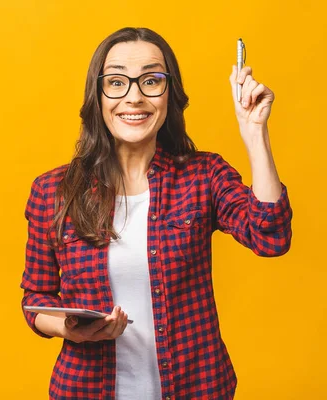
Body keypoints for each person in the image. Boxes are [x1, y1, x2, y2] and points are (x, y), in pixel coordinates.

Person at [20, 27, 292, 400]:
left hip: (198, 388)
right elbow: (36, 297)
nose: (134, 97)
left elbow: (270, 235)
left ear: (170, 94)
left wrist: (255, 132)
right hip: (85, 389)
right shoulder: (52, 190)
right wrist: (70, 329)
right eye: (116, 82)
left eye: (151, 80)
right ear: (97, 95)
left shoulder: (203, 176)